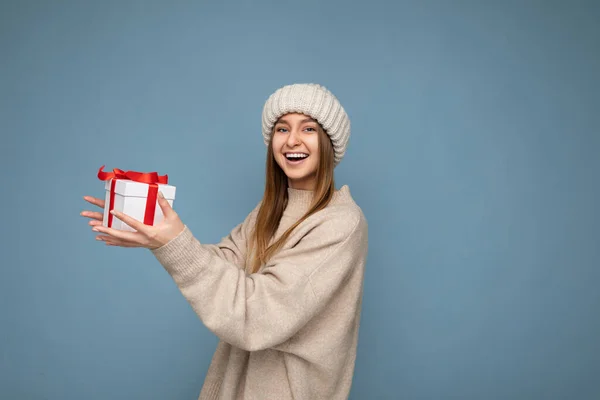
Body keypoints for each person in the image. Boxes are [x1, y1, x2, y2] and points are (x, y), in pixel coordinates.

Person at [81, 83, 369, 400]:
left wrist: (175, 242)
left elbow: (258, 314)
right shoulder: (272, 210)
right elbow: (225, 261)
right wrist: (158, 236)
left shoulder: (340, 223)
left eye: (309, 128)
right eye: (282, 128)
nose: (292, 140)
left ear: (329, 142)